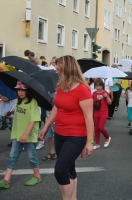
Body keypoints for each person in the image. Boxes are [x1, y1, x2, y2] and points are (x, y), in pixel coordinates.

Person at [39, 55, 94, 199]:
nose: (56, 71)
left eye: (58, 69)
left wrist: (89, 142)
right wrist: (46, 127)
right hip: (60, 133)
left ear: (67, 70)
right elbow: (56, 107)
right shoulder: (62, 86)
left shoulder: (82, 89)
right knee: (69, 168)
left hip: (76, 135)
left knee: (60, 170)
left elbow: (89, 117)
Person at [0, 81, 41, 189]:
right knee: (12, 156)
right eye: (18, 90)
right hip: (17, 134)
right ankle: (6, 180)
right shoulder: (19, 102)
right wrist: (10, 112)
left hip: (28, 136)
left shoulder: (32, 102)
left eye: (23, 90)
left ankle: (37, 176)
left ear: (28, 91)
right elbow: (20, 111)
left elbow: (34, 119)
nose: (21, 92)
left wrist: (26, 134)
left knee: (31, 157)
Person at [92, 79, 112, 149]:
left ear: (102, 86)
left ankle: (107, 138)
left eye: (100, 86)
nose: (98, 87)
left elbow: (110, 102)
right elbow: (92, 102)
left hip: (104, 113)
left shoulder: (105, 92)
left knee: (100, 127)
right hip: (96, 113)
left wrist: (106, 97)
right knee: (96, 128)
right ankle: (97, 144)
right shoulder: (94, 93)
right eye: (96, 86)